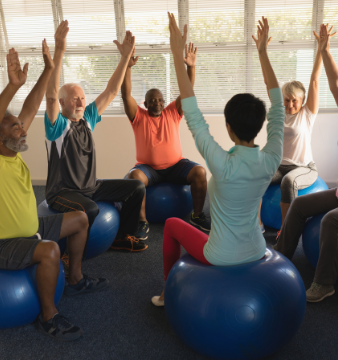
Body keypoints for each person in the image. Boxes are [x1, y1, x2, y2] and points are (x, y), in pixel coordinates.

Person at [151, 14, 285, 306]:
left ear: (228, 127)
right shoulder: (271, 158)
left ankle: (165, 293)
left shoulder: (222, 163)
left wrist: (176, 54)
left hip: (221, 254)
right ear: (262, 125)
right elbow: (278, 105)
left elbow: (192, 112)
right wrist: (262, 52)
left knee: (173, 224)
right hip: (257, 247)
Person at [0, 43, 108, 341]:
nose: (22, 130)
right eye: (13, 127)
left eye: (21, 126)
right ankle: (49, 316)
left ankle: (74, 279)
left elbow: (33, 106)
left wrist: (48, 69)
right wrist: (11, 86)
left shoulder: (13, 154)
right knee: (50, 250)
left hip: (32, 227)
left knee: (81, 218)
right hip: (4, 243)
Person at [273, 24, 338, 302]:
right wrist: (325, 51)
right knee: (298, 205)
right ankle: (280, 257)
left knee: (331, 222)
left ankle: (324, 283)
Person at [44, 20, 147, 253]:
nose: (80, 102)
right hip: (62, 192)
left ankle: (122, 237)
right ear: (62, 103)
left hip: (90, 186)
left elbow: (111, 91)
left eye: (82, 98)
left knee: (136, 187)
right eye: (73, 99)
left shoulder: (87, 119)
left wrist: (125, 58)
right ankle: (71, 257)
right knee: (90, 209)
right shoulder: (57, 126)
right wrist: (59, 51)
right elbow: (50, 96)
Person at [121, 40, 210, 240]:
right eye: (152, 100)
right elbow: (126, 95)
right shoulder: (138, 116)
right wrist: (127, 67)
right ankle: (142, 222)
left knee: (200, 172)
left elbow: (187, 92)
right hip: (148, 169)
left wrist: (191, 66)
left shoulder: (172, 112)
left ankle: (197, 215)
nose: (157, 103)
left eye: (160, 99)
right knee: (135, 179)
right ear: (145, 103)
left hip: (176, 165)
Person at [257, 24, 336, 234]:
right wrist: (261, 52)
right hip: (278, 164)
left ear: (301, 101)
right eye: (286, 100)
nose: (290, 104)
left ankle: (286, 229)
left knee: (288, 182)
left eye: (294, 100)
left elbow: (315, 81)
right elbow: (268, 82)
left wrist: (321, 50)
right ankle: (256, 224)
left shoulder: (307, 114)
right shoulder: (278, 112)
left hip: (304, 168)